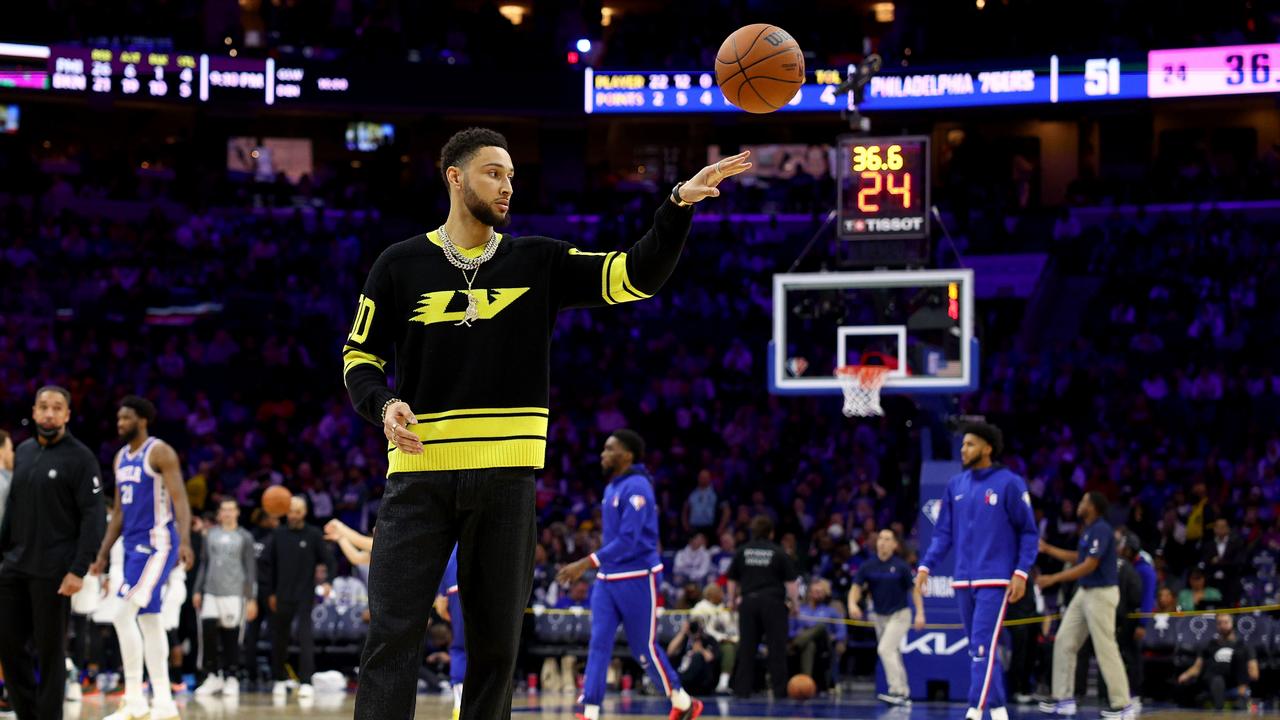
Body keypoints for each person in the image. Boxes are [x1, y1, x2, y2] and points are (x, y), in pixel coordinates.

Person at [341, 126, 749, 720]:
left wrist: (677, 205)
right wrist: (382, 406)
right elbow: (359, 358)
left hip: (508, 480)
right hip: (419, 477)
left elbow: (636, 275)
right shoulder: (399, 264)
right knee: (392, 638)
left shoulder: (539, 259)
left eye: (511, 174)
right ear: (454, 178)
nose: (508, 186)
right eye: (493, 173)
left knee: (496, 650)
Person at [556, 430, 703, 720]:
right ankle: (591, 711)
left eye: (609, 449)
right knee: (598, 644)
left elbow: (628, 539)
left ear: (627, 455)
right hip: (607, 580)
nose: (603, 454)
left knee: (643, 648)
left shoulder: (637, 487)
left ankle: (683, 700)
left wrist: (586, 562)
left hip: (638, 577)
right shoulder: (612, 487)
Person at [914, 422, 1038, 720]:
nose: (963, 449)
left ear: (987, 448)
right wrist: (925, 566)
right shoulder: (956, 485)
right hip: (962, 580)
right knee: (979, 649)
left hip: (995, 580)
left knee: (982, 646)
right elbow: (943, 534)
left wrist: (1021, 573)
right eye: (963, 444)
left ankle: (974, 709)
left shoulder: (1010, 483)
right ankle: (997, 710)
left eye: (969, 444)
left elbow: (1029, 533)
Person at [0, 386, 106, 720]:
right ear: (33, 412)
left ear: (67, 415)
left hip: (55, 570)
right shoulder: (25, 451)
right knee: (8, 646)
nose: (49, 413)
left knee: (50, 653)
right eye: (43, 407)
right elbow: (14, 505)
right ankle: (27, 713)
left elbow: (93, 516)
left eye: (56, 408)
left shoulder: (81, 457)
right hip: (14, 566)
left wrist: (79, 567)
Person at [89, 396, 195, 720]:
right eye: (118, 419)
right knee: (149, 622)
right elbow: (119, 512)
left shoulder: (159, 451)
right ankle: (163, 702)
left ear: (142, 420)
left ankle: (134, 699)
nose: (119, 424)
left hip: (158, 544)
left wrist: (186, 542)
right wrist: (103, 554)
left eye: (125, 419)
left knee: (123, 615)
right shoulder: (121, 457)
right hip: (133, 548)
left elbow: (180, 500)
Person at [1037, 491, 1135, 718]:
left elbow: (1090, 565)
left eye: (1083, 501)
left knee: (1105, 647)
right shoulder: (1088, 529)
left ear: (1092, 507)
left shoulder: (1101, 529)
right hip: (1085, 592)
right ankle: (1064, 698)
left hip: (1101, 593)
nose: (1079, 504)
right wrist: (1049, 549)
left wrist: (1053, 578)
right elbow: (1079, 557)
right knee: (1064, 640)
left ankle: (1123, 705)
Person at [262, 495, 336, 700]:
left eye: (297, 511)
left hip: (304, 595)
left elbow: (330, 561)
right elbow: (266, 565)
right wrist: (269, 593)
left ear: (303, 512)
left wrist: (328, 581)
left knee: (306, 638)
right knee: (279, 639)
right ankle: (278, 679)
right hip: (280, 595)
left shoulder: (312, 535)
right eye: (290, 510)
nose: (293, 515)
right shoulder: (278, 534)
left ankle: (306, 682)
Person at [849, 528, 925, 705]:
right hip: (879, 616)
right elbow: (856, 587)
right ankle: (904, 693)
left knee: (884, 649)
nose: (882, 542)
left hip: (900, 614)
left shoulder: (901, 566)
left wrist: (920, 613)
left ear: (894, 545)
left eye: (887, 539)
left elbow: (914, 590)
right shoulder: (868, 566)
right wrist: (852, 604)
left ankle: (896, 691)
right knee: (893, 652)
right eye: (880, 538)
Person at [727, 515, 800, 699]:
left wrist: (731, 601)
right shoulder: (778, 552)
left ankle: (742, 690)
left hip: (748, 602)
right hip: (773, 604)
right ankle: (779, 691)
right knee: (776, 649)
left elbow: (732, 579)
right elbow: (791, 583)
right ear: (771, 533)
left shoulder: (742, 551)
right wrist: (795, 605)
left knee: (747, 648)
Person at [192, 499, 259, 697]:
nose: (228, 513)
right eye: (224, 510)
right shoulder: (210, 534)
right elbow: (204, 564)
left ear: (237, 512)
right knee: (208, 635)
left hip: (235, 593)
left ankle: (231, 677)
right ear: (219, 514)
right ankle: (213, 676)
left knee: (231, 638)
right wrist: (198, 589)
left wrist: (251, 598)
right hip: (211, 591)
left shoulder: (245, 537)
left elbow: (250, 569)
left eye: (231, 509)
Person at [1175, 614, 1259, 710]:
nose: (1222, 625)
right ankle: (1219, 709)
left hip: (1234, 680)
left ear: (1233, 624)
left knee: (1239, 654)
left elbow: (1254, 674)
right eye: (1219, 623)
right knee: (1216, 678)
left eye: (1226, 622)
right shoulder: (1209, 645)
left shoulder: (1244, 646)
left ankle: (1241, 698)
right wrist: (1185, 675)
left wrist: (1245, 678)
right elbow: (1197, 667)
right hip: (1213, 679)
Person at [789, 578, 846, 689]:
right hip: (805, 644)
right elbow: (789, 630)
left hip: (824, 644)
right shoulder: (799, 610)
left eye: (820, 592)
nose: (817, 594)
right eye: (815, 592)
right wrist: (797, 633)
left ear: (825, 594)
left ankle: (797, 644)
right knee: (810, 645)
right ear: (809, 593)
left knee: (820, 626)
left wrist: (834, 636)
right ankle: (806, 684)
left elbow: (842, 632)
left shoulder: (831, 611)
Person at [432, 546, 466, 720]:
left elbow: (441, 606)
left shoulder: (447, 546)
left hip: (455, 590)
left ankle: (460, 706)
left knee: (460, 648)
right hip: (487, 589)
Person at [689, 583, 736, 695]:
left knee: (732, 647)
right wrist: (720, 638)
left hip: (722, 639)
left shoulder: (722, 608)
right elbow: (700, 629)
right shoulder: (700, 607)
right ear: (712, 594)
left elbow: (729, 627)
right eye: (720, 592)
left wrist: (728, 637)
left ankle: (726, 683)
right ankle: (717, 684)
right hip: (706, 641)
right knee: (727, 648)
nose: (722, 594)